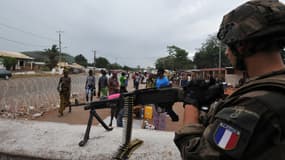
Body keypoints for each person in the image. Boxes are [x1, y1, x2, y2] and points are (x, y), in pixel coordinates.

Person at [174, 1, 285, 159]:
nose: (226, 53)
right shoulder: (275, 88)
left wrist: (191, 103)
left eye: (228, 45)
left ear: (241, 45)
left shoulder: (255, 106)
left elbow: (197, 154)